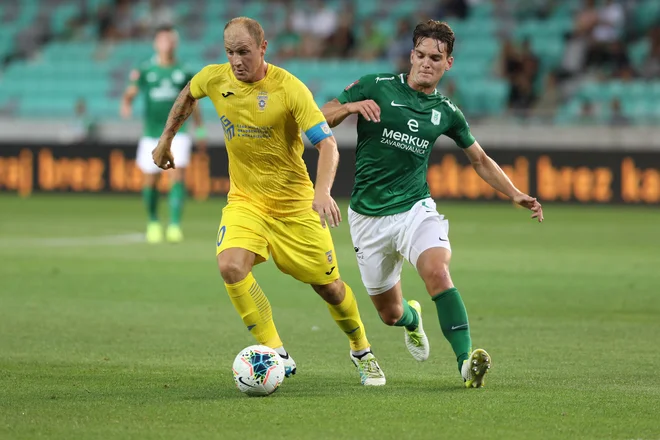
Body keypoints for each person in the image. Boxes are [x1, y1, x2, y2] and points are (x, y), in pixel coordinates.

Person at [151, 17, 385, 386]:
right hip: (246, 201)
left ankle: (361, 349)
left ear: (263, 48)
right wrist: (165, 139)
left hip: (295, 206)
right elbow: (189, 93)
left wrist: (321, 192)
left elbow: (327, 144)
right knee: (230, 266)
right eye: (230, 52)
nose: (236, 61)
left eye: (243, 51)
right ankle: (276, 351)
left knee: (330, 288)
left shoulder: (290, 89)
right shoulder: (216, 77)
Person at [321, 20, 544, 388]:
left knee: (438, 272)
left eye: (435, 58)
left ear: (448, 63)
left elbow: (480, 160)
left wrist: (514, 192)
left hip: (414, 209)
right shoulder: (376, 85)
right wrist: (351, 107)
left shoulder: (447, 112)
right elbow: (321, 115)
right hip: (368, 218)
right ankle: (413, 319)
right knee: (390, 314)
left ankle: (465, 362)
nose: (427, 63)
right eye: (421, 55)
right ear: (411, 56)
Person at [120, 25, 207, 244]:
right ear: (156, 44)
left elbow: (192, 101)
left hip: (178, 133)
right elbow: (131, 91)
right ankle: (153, 222)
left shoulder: (183, 70)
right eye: (162, 40)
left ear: (175, 43)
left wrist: (200, 127)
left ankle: (175, 225)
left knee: (176, 175)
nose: (166, 44)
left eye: (170, 40)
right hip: (151, 133)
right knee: (150, 179)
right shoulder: (146, 70)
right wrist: (126, 103)